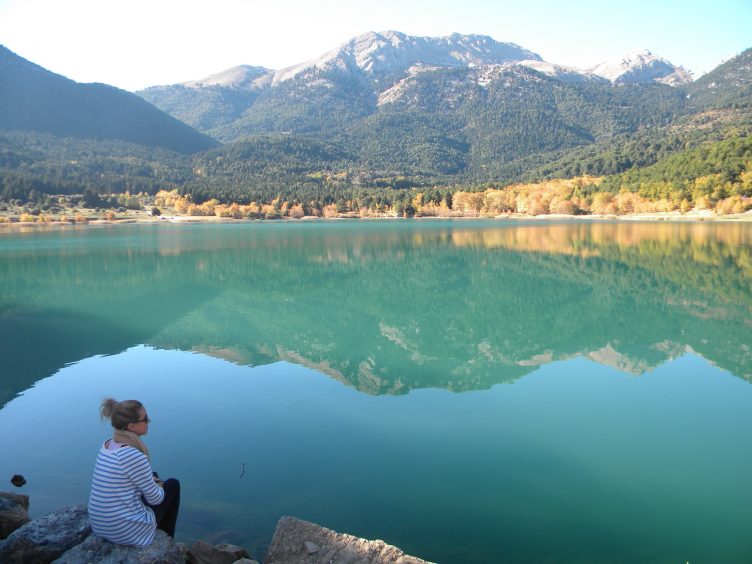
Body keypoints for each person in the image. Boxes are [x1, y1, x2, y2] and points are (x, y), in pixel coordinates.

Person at [87, 398, 180, 546]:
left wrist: (151, 481)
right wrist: (160, 486)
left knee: (152, 476)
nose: (149, 421)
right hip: (124, 531)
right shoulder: (134, 456)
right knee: (173, 485)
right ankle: (166, 541)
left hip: (99, 525)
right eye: (145, 419)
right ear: (131, 426)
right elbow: (156, 499)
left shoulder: (107, 445)